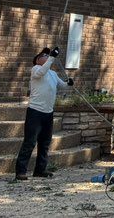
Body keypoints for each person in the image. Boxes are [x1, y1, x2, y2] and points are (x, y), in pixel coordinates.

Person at [14, 46, 73, 181]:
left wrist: (68, 83)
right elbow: (42, 71)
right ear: (38, 60)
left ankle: (40, 170)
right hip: (35, 112)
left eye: (48, 55)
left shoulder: (52, 74)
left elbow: (61, 85)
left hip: (48, 112)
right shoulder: (36, 70)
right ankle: (20, 171)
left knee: (45, 143)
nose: (47, 57)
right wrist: (52, 57)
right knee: (30, 142)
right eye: (44, 56)